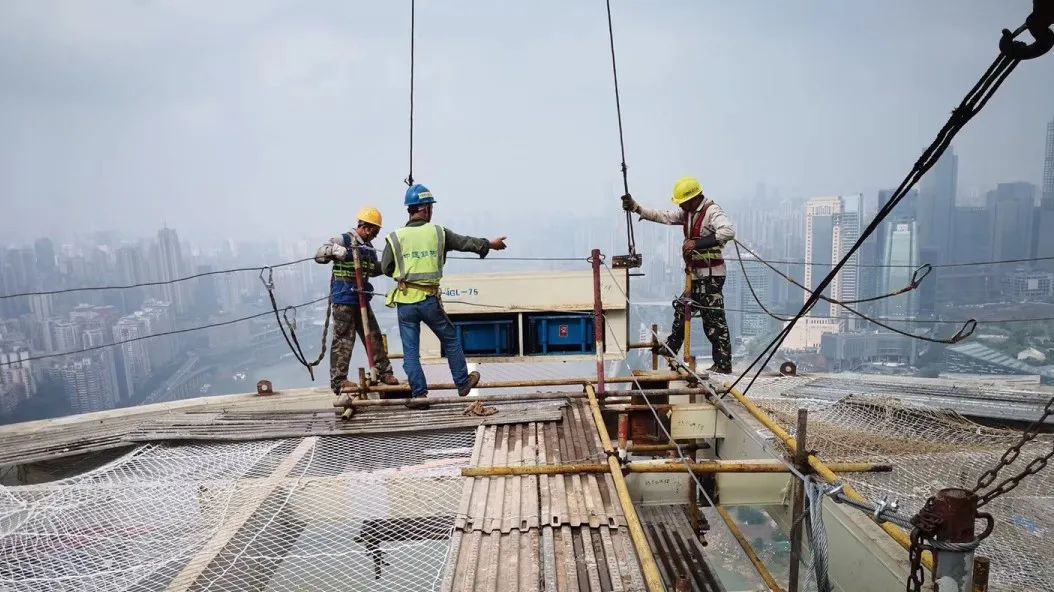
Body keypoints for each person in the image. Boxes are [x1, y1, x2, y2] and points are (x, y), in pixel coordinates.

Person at [381, 183, 507, 408]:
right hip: (428, 299)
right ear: (426, 209)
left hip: (405, 301)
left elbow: (386, 267)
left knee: (411, 352)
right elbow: (465, 242)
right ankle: (462, 383)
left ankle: (419, 395)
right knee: (450, 339)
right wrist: (491, 245)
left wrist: (404, 274)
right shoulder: (437, 232)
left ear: (410, 209)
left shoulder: (395, 237)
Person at [622, 176, 735, 374]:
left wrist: (697, 244)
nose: (681, 206)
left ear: (695, 198)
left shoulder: (712, 211)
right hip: (696, 275)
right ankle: (671, 347)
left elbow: (728, 231)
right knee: (683, 309)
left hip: (711, 275)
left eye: (684, 202)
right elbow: (664, 216)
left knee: (714, 320)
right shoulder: (689, 213)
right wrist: (636, 208)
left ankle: (723, 365)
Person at [315, 206, 399, 395]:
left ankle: (384, 372)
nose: (375, 236)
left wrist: (390, 267)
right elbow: (319, 255)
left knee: (374, 335)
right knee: (344, 339)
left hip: (361, 299)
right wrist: (335, 251)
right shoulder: (343, 240)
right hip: (344, 299)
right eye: (375, 232)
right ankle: (339, 381)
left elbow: (372, 270)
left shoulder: (368, 248)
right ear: (367, 228)